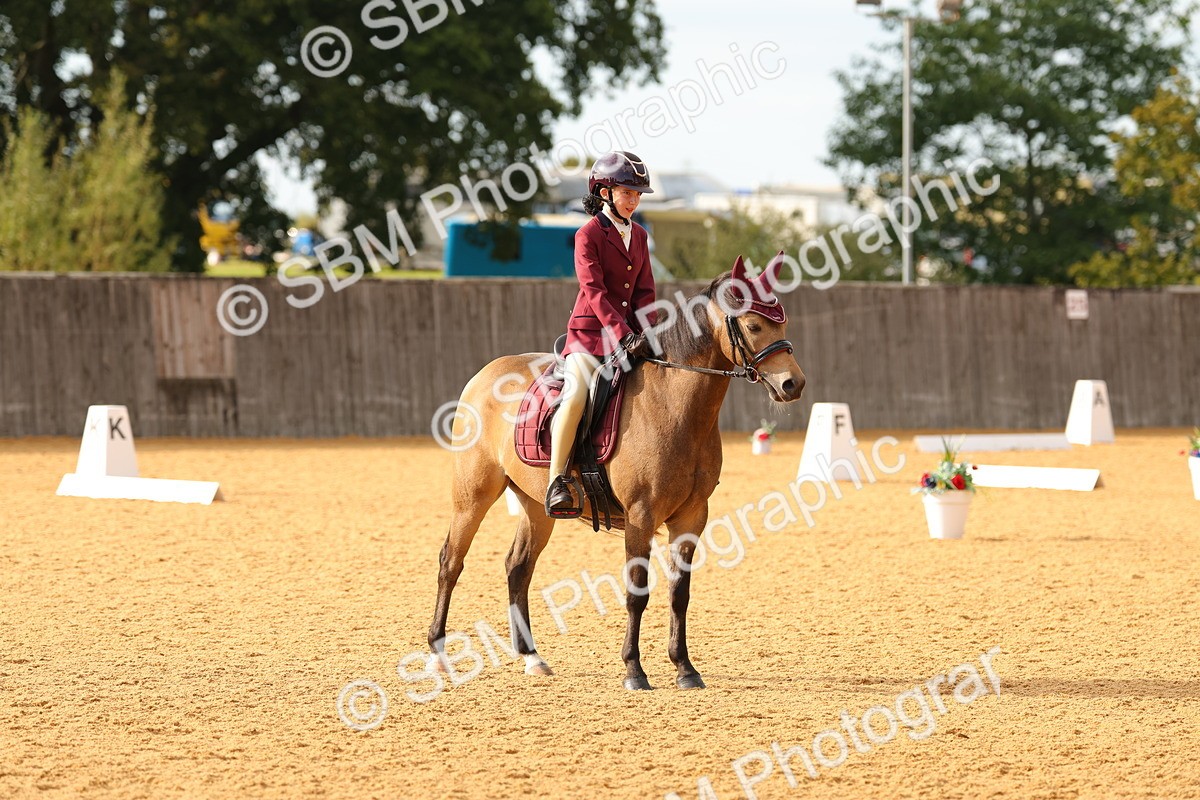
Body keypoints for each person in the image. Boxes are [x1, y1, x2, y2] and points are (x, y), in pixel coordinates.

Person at [545, 151, 657, 517]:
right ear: (605, 192)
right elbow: (593, 291)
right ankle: (557, 480)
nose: (634, 200)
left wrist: (649, 332)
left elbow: (644, 291)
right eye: (627, 193)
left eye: (638, 194)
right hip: (590, 336)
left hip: (629, 338)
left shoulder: (639, 235)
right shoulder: (588, 234)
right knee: (577, 394)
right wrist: (623, 333)